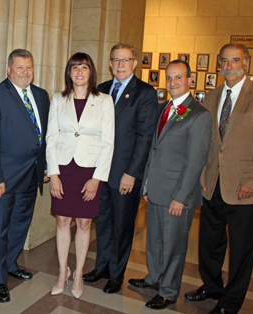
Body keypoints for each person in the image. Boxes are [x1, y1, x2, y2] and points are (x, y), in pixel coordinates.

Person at [185, 43, 253, 314]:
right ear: (219, 63)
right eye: (225, 60)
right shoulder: (212, 96)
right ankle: (212, 286)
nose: (230, 65)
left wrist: (252, 179)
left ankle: (231, 300)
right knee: (209, 242)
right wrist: (203, 174)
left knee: (241, 248)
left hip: (244, 186)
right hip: (212, 183)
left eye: (235, 60)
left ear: (246, 64)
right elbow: (206, 141)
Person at [128, 60, 212, 310]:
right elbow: (155, 149)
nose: (173, 83)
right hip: (155, 190)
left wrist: (181, 197)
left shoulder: (199, 115)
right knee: (154, 240)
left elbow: (194, 162)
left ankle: (168, 291)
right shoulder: (163, 108)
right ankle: (154, 278)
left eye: (179, 78)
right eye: (169, 78)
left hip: (177, 195)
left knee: (173, 246)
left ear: (189, 81)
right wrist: (147, 186)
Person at [83, 43, 158, 294]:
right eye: (116, 60)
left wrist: (132, 173)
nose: (120, 65)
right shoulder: (101, 89)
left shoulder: (145, 93)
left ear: (134, 63)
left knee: (122, 225)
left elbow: (144, 137)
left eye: (126, 60)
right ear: (110, 63)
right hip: (100, 172)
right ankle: (101, 267)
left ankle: (116, 274)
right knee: (102, 222)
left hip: (125, 173)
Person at [0, 49, 50, 303]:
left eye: (29, 67)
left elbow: (45, 136)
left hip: (31, 175)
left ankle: (10, 264)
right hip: (3, 179)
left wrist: (46, 166)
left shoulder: (40, 95)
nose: (25, 72)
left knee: (20, 224)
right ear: (9, 69)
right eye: (19, 67)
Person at [46, 52, 114, 299]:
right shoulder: (58, 99)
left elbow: (108, 143)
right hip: (64, 168)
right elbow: (51, 138)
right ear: (69, 72)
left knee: (84, 223)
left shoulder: (104, 101)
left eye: (84, 67)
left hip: (89, 170)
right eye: (74, 67)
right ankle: (62, 272)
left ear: (91, 72)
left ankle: (79, 274)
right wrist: (53, 173)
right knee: (62, 221)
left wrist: (97, 178)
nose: (79, 71)